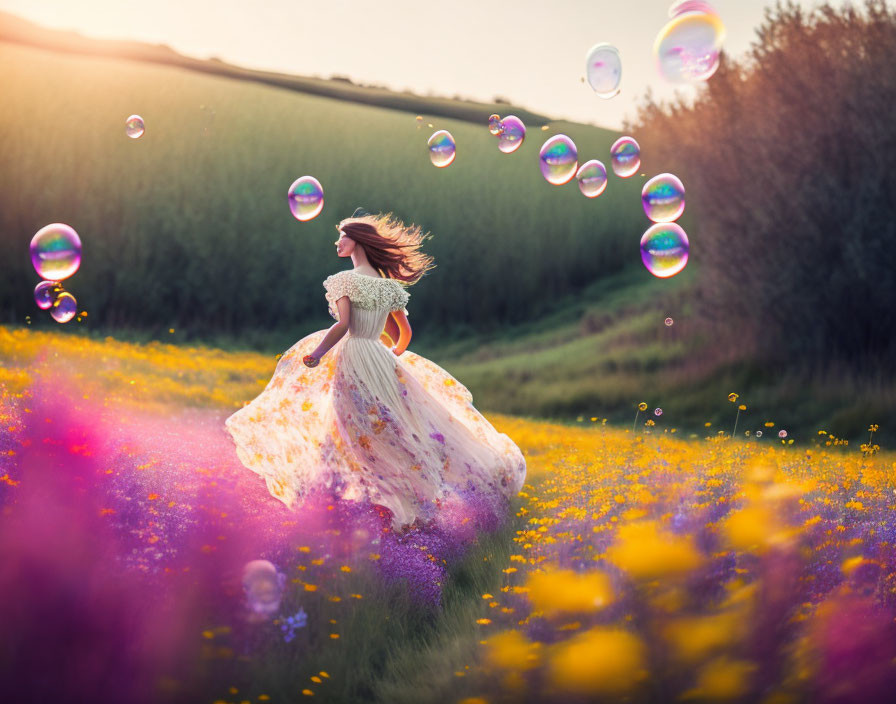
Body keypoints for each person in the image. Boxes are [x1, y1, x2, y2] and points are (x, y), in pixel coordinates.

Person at [224, 208, 526, 532]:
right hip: (380, 359)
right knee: (391, 427)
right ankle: (402, 506)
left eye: (342, 236)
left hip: (354, 357)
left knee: (352, 430)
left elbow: (342, 325)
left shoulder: (344, 281)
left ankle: (360, 507)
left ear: (357, 242)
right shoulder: (389, 288)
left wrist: (318, 353)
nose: (337, 242)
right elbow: (405, 334)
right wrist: (391, 356)